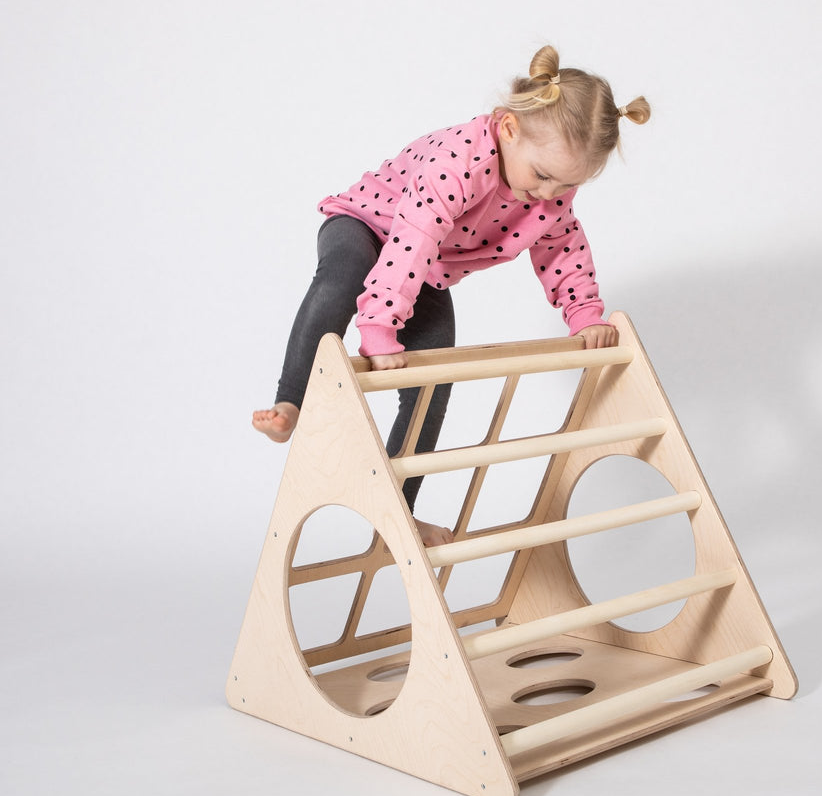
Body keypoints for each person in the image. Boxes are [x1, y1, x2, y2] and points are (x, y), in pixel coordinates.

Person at [252, 46, 650, 545]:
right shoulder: (458, 161)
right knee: (337, 283)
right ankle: (289, 400)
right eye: (543, 175)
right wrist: (378, 328)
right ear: (507, 128)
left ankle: (397, 509)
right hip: (369, 225)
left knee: (432, 384)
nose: (549, 194)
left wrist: (585, 314)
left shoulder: (549, 195)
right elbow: (413, 237)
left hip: (424, 269)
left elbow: (562, 246)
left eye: (568, 185)